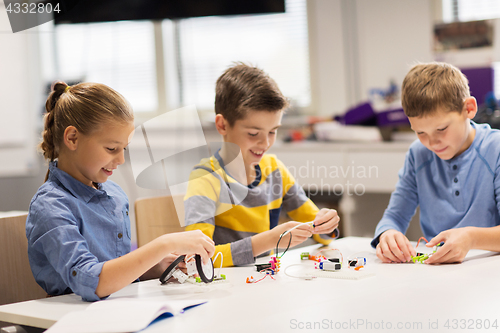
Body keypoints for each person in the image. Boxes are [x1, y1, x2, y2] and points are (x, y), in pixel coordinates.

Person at [26, 81, 215, 301]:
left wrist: (157, 266)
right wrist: (165, 244)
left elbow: (116, 268)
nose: (121, 159)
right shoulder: (50, 206)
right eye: (111, 149)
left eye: (123, 149)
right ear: (72, 138)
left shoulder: (115, 195)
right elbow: (91, 282)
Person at [184, 63, 340, 267]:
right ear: (222, 125)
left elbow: (322, 234)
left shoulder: (275, 170)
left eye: (273, 131)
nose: (265, 143)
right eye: (253, 134)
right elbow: (197, 258)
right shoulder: (206, 178)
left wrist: (325, 224)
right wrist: (269, 240)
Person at [372, 62, 500, 264]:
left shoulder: (495, 149)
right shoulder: (418, 154)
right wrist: (387, 234)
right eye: (420, 132)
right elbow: (394, 216)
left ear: (469, 109)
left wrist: (471, 238)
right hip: (438, 272)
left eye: (441, 129)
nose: (431, 143)